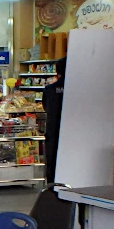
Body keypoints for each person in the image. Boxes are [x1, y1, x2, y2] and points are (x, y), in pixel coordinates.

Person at [42, 57, 67, 185]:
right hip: (70, 133)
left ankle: (51, 187)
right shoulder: (77, 89)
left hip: (52, 131)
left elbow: (45, 107)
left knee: (52, 161)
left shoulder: (49, 89)